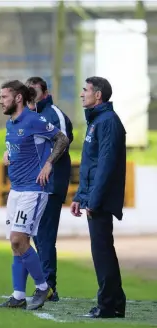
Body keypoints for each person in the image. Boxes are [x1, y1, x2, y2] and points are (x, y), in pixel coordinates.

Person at [0, 80, 69, 311]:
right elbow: (20, 147)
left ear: (18, 98)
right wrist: (7, 153)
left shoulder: (34, 119)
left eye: (4, 97)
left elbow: (62, 139)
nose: (0, 101)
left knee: (19, 240)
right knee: (16, 244)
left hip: (33, 190)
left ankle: (42, 286)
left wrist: (49, 164)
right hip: (16, 189)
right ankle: (18, 295)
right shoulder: (11, 123)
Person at [71, 76, 126, 318]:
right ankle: (115, 302)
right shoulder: (98, 121)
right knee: (103, 251)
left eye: (86, 90)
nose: (82, 94)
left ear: (98, 95)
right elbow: (91, 165)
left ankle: (107, 306)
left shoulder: (107, 122)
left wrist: (93, 201)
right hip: (95, 196)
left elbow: (105, 165)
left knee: (102, 252)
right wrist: (80, 196)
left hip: (101, 199)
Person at [23, 77, 74, 301]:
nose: (31, 93)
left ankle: (48, 286)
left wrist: (48, 165)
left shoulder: (55, 114)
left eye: (34, 90)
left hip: (52, 183)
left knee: (44, 234)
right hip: (36, 184)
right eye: (28, 90)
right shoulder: (30, 114)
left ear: (45, 92)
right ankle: (45, 284)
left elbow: (63, 142)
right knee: (35, 233)